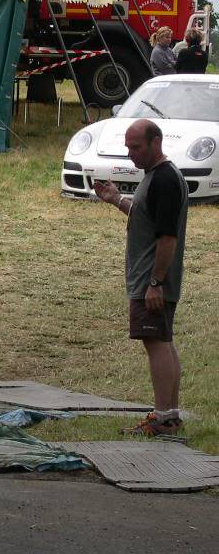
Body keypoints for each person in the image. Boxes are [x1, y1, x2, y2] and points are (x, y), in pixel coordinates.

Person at [93, 119, 189, 436]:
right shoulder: (156, 177)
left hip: (153, 282)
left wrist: (155, 282)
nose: (130, 154)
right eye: (127, 147)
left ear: (155, 142)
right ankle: (170, 416)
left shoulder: (164, 180)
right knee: (163, 341)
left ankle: (162, 419)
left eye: (136, 147)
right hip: (152, 280)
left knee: (156, 344)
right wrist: (116, 198)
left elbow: (167, 238)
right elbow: (146, 217)